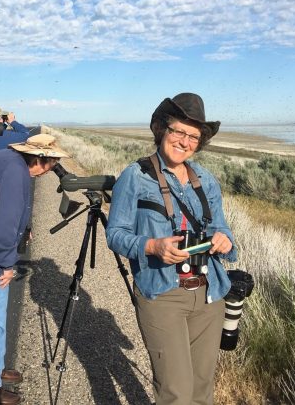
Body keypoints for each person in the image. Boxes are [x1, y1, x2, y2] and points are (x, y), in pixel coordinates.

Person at [105, 93, 237, 405]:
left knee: (202, 390)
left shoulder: (206, 179)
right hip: (164, 294)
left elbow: (222, 227)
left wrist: (224, 240)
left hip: (210, 292)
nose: (185, 141)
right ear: (162, 130)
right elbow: (115, 234)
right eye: (178, 131)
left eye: (193, 136)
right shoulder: (135, 176)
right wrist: (152, 246)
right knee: (175, 392)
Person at [0, 134, 69, 405]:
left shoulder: (9, 160)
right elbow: (3, 226)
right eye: (52, 163)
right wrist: (7, 262)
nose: (51, 169)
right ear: (40, 159)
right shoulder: (16, 172)